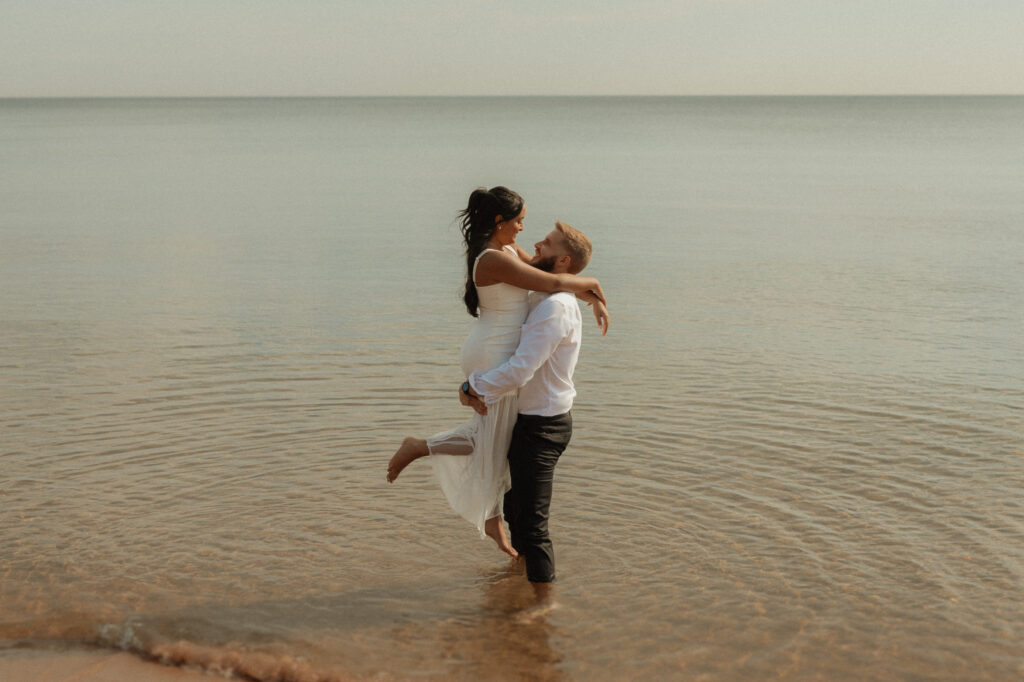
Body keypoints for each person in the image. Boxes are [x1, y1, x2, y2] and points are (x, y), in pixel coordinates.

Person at [386, 187, 608, 559]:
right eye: (519, 221)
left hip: (495, 349)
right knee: (491, 438)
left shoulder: (505, 251)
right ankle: (424, 450)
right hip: (493, 354)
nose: (524, 229)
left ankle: (491, 515)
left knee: (497, 439)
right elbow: (553, 282)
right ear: (498, 221)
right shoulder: (492, 259)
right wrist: (596, 286)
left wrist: (591, 296)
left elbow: (546, 273)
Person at [458, 220, 595, 595]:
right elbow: (521, 259)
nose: (535, 243)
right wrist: (592, 286)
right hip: (528, 420)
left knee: (533, 526)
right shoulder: (542, 293)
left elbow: (520, 370)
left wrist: (473, 387)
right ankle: (517, 594)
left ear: (563, 260)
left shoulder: (555, 309)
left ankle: (543, 611)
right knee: (517, 514)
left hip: (544, 427)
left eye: (546, 244)